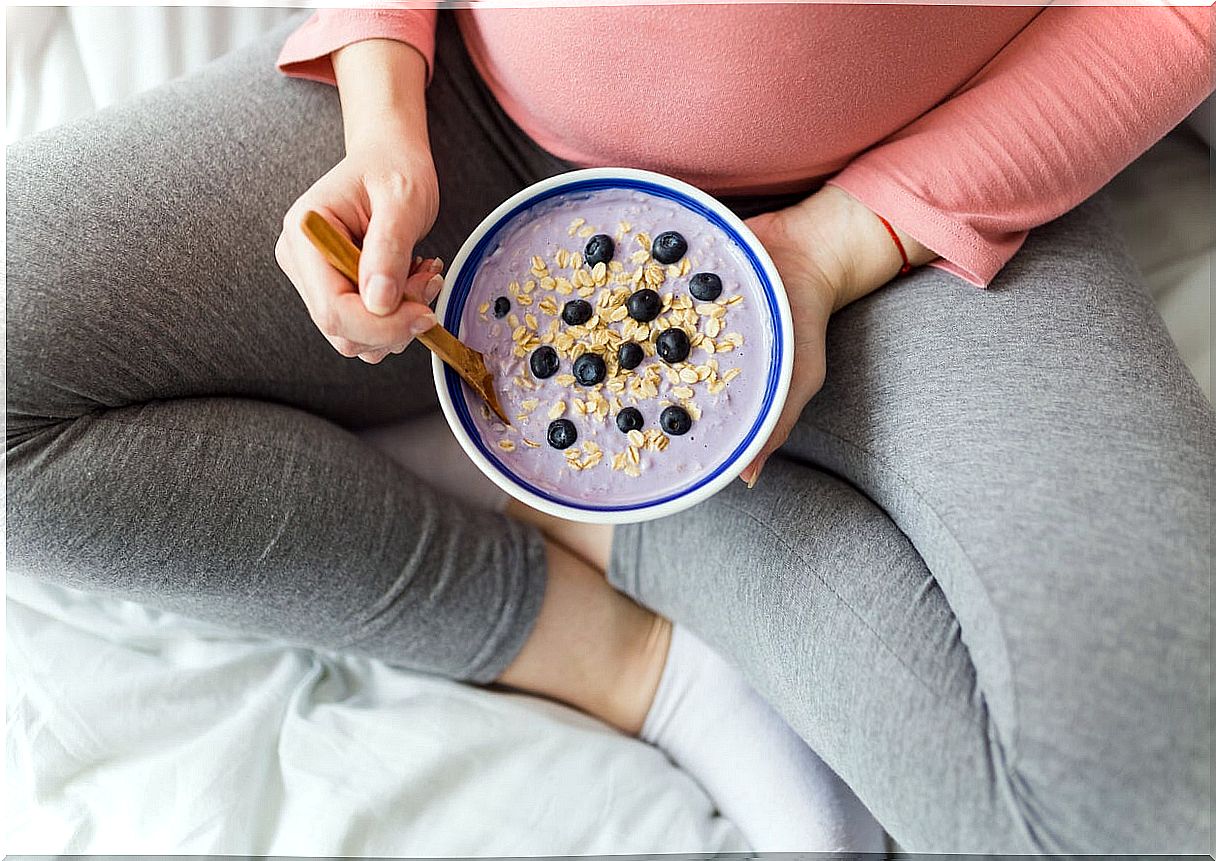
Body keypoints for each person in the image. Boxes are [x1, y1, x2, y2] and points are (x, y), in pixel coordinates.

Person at [7, 4, 1211, 852]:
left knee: (1144, 811)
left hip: (935, 206)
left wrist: (845, 242)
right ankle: (609, 636)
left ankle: (607, 506)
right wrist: (381, 99)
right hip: (469, 120)